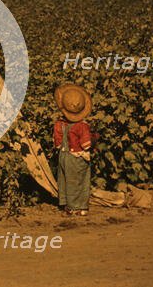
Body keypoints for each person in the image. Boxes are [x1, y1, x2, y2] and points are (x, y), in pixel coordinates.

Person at [53, 83, 93, 216]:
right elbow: (86, 144)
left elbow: (58, 143)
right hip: (77, 157)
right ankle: (78, 207)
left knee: (65, 180)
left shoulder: (59, 124)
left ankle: (66, 204)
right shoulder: (82, 126)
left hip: (63, 155)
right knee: (78, 181)